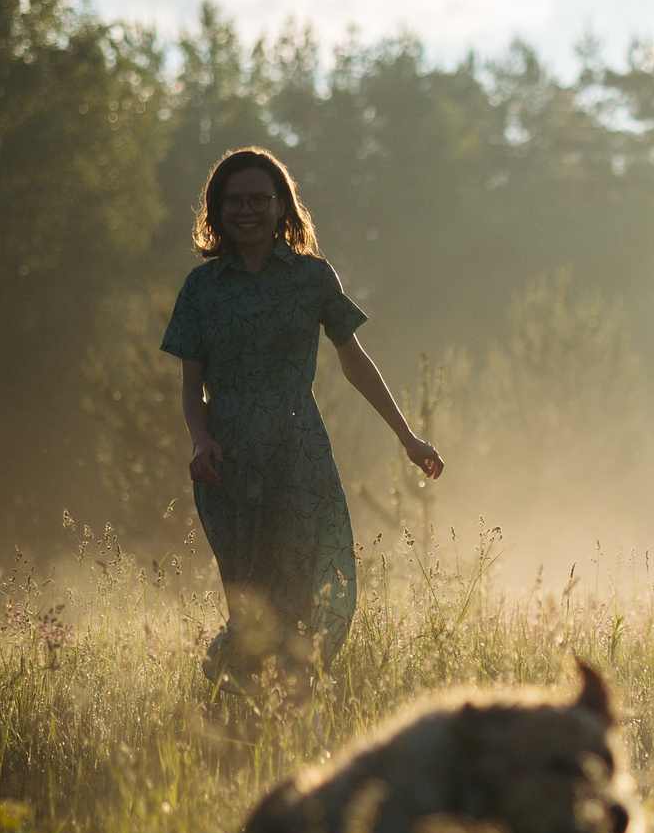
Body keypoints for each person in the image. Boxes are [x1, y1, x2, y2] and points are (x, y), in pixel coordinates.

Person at [160, 147, 442, 683]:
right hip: (229, 458)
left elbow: (354, 361)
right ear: (217, 211)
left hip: (299, 451)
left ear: (282, 207)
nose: (247, 210)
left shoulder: (311, 277)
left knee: (317, 578)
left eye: (259, 199)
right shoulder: (201, 289)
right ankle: (233, 690)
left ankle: (296, 689)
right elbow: (191, 384)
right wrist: (200, 441)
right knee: (253, 597)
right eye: (234, 201)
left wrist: (408, 437)